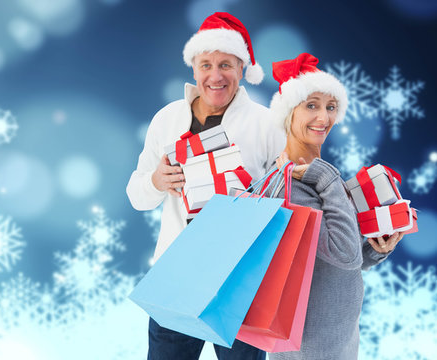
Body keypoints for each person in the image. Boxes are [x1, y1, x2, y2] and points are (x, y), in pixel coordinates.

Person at [126, 12, 285, 360]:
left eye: (226, 64)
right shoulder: (166, 119)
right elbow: (137, 196)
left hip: (241, 280)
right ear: (194, 68)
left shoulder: (268, 124)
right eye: (206, 64)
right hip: (175, 274)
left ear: (242, 68)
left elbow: (290, 197)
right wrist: (155, 181)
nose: (216, 76)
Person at [266, 53, 404, 360]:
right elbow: (344, 254)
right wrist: (329, 177)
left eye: (330, 107)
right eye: (311, 105)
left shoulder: (314, 174)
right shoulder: (292, 185)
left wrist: (376, 250)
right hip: (311, 348)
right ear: (289, 112)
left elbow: (343, 260)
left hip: (339, 340)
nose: (324, 118)